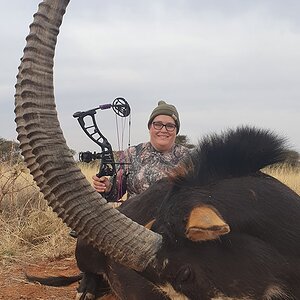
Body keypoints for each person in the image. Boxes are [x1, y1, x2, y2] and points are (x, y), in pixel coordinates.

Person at [92, 100, 190, 202]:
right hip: (132, 217)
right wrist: (107, 188)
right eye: (158, 124)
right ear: (150, 127)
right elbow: (114, 194)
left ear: (176, 130)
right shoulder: (130, 154)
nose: (163, 130)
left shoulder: (190, 158)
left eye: (170, 126)